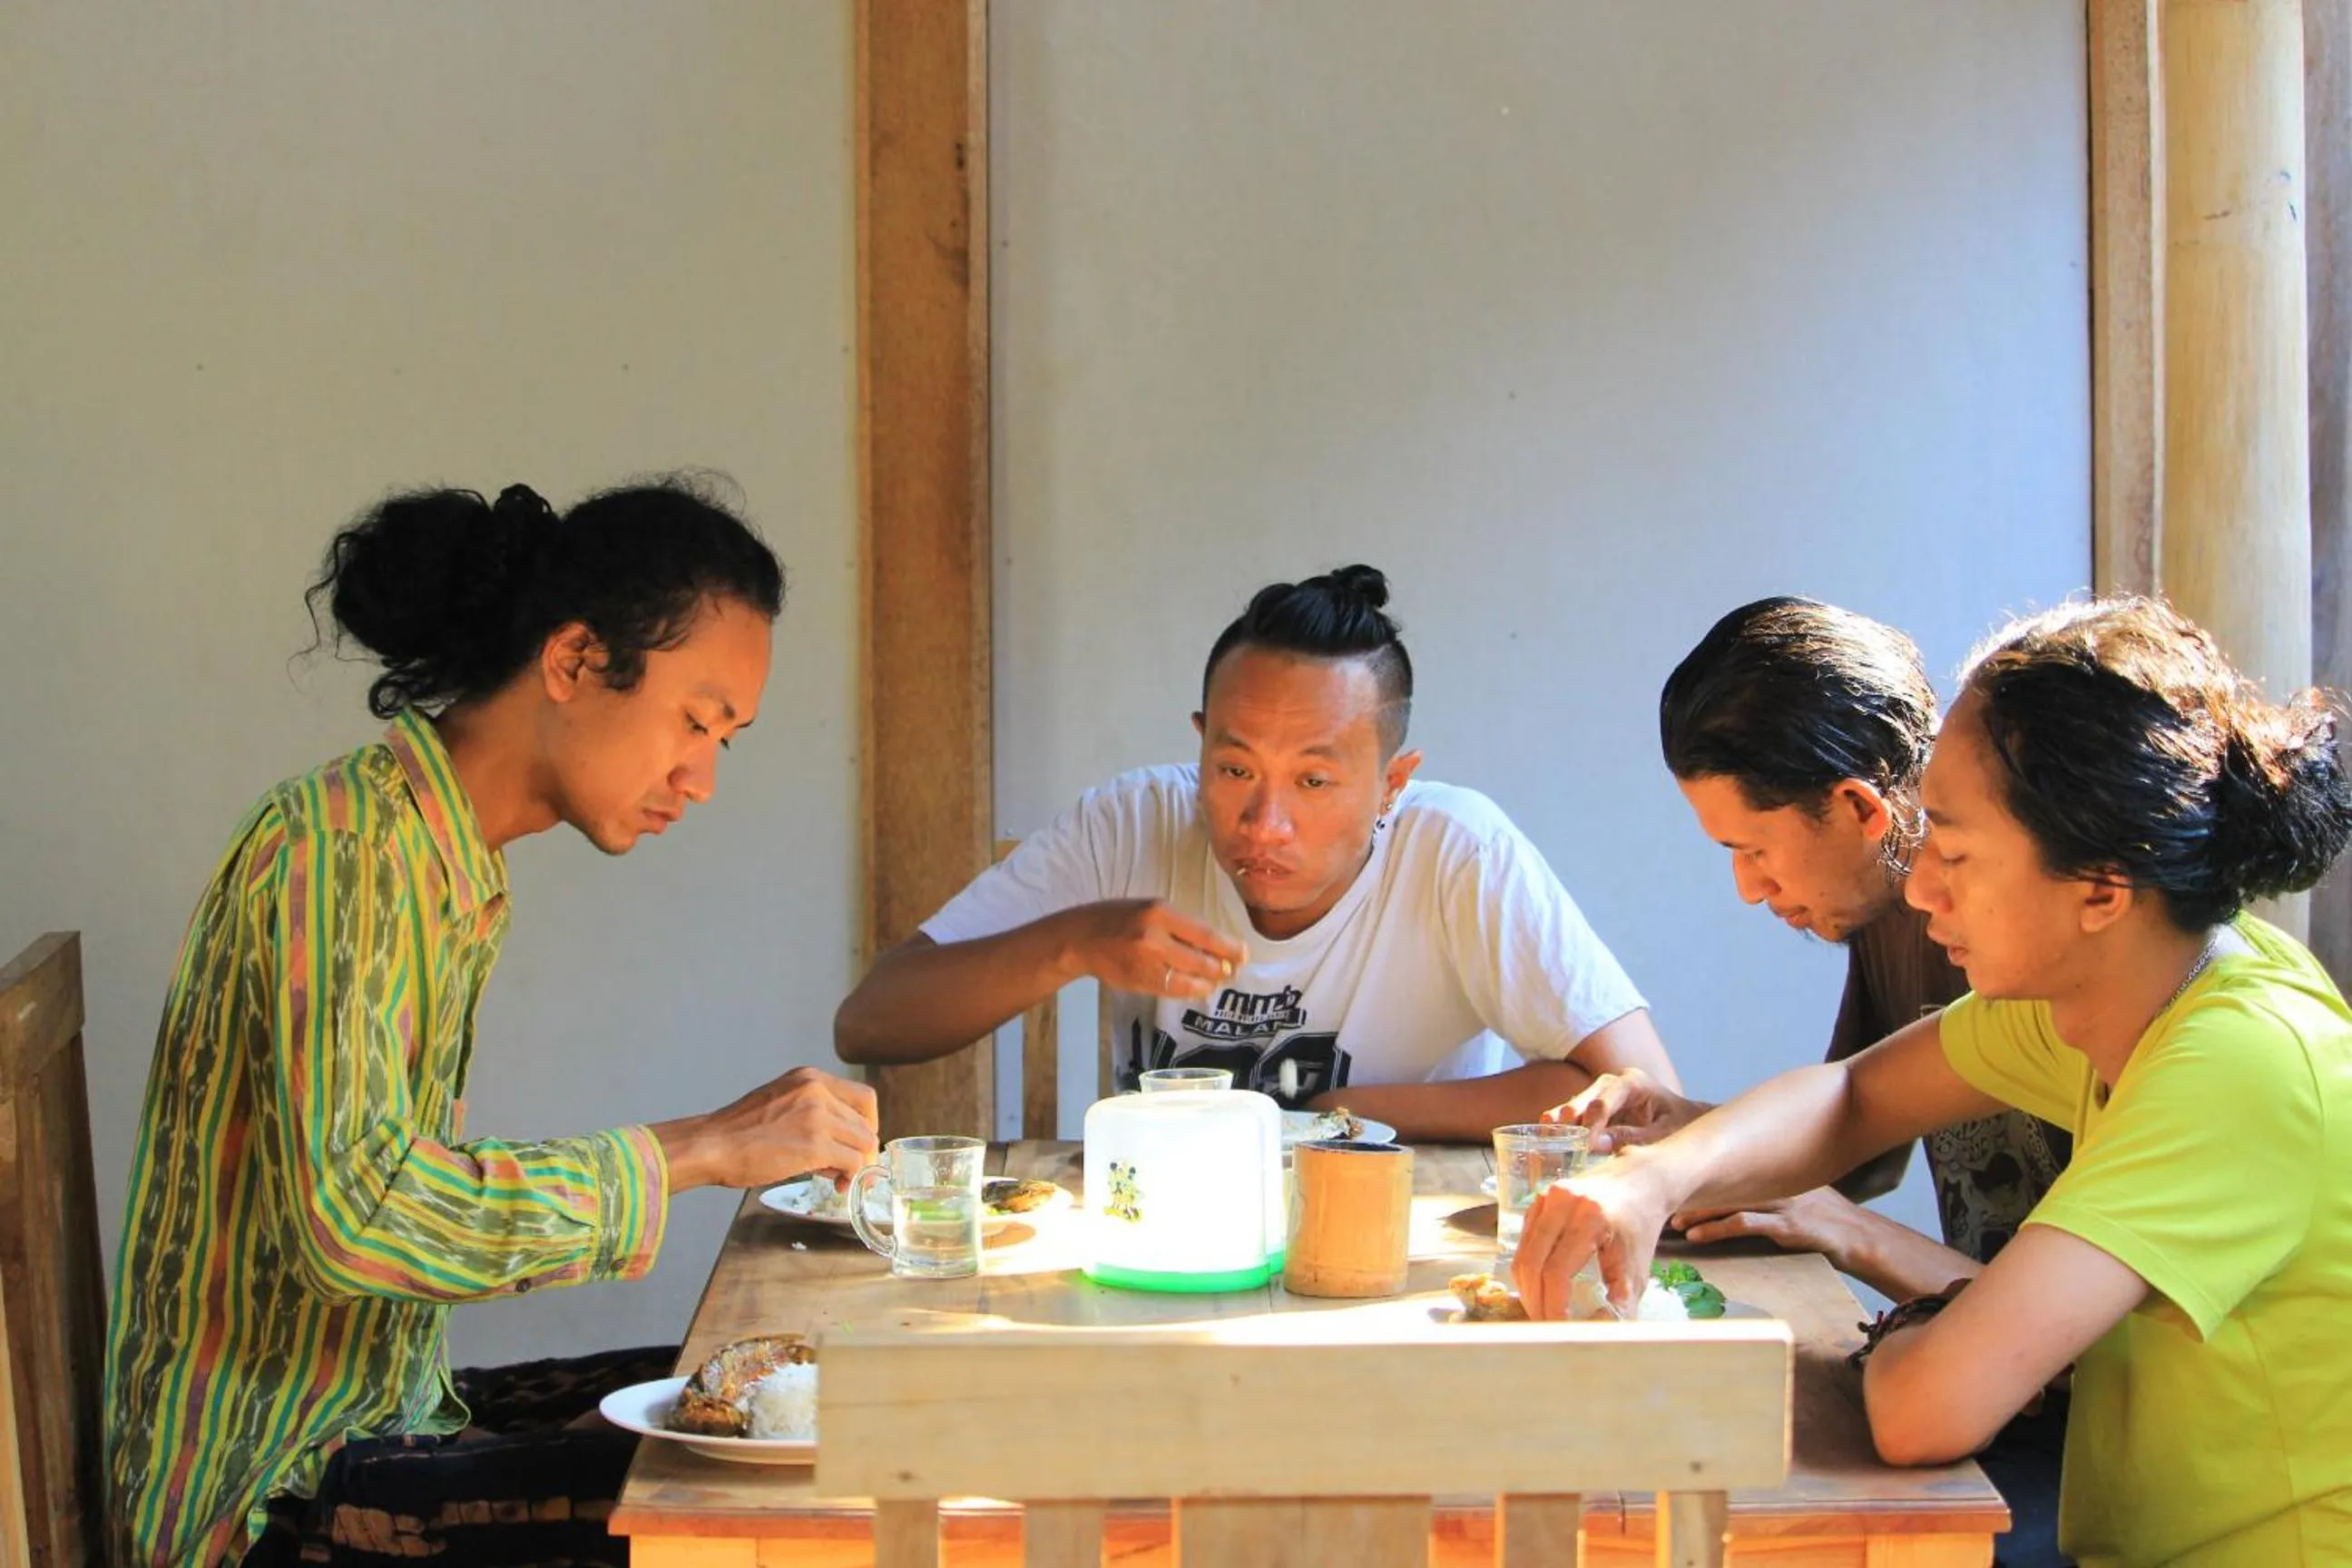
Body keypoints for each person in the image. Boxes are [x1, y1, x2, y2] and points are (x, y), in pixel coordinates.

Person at [103, 479, 881, 1568]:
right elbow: (358, 1215)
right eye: (696, 722)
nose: (700, 778)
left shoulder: (444, 862)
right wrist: (697, 1149)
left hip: (388, 1413)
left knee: (783, 1400)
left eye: (727, 740)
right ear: (571, 662)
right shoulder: (339, 849)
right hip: (261, 1494)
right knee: (770, 1503)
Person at [1516, 598, 2352, 1567]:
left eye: (1953, 853)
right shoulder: (2101, 992)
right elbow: (1851, 1099)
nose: (1918, 889)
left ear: (2099, 889)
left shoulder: (2237, 1061)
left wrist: (1915, 1326)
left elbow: (1924, 1411)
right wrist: (1651, 1177)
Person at [833, 564, 1678, 1142]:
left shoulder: (1456, 852)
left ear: (1393, 783)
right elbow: (871, 1020)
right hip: (1159, 1234)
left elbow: (1641, 1096)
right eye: (1234, 768)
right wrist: (1074, 941)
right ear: (1199, 745)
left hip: (1383, 1244)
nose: (1264, 822)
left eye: (1314, 782)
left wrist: (1345, 1110)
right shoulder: (1132, 821)